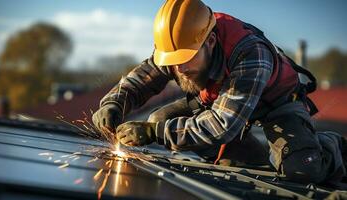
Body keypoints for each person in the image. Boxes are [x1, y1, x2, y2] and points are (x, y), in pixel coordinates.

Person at [92, 0, 346, 184]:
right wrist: (114, 104)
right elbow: (143, 78)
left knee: (301, 170)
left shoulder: (251, 54)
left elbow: (223, 124)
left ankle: (330, 147)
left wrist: (154, 134)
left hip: (276, 103)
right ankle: (244, 157)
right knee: (159, 120)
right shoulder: (180, 48)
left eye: (186, 59)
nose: (178, 68)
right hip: (222, 99)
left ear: (210, 42)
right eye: (172, 60)